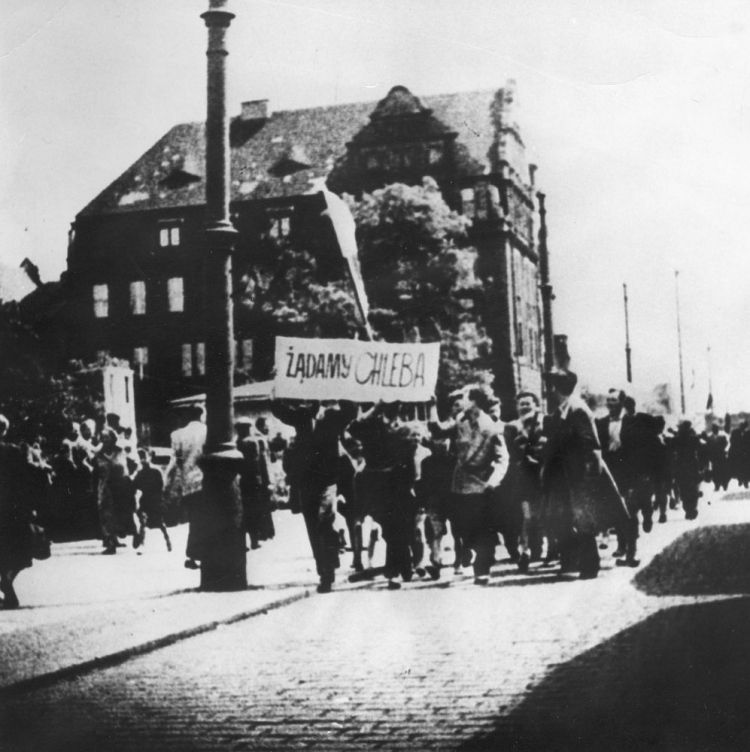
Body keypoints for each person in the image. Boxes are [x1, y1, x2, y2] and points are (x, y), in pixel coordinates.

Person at [541, 368, 634, 579]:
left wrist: (588, 480)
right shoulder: (563, 410)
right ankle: (572, 562)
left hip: (580, 476)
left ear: (558, 387)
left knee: (583, 518)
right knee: (567, 517)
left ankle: (590, 565)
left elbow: (591, 447)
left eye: (552, 385)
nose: (549, 390)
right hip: (565, 476)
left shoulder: (577, 410)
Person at [271, 399, 357, 593]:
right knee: (312, 525)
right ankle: (324, 564)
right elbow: (278, 410)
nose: (309, 401)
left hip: (328, 479)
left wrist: (339, 388)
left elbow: (351, 412)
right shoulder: (300, 415)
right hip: (306, 481)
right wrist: (275, 391)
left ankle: (327, 572)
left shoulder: (332, 416)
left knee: (325, 520)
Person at [429, 386, 507, 585]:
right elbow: (437, 431)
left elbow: (502, 458)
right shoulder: (460, 421)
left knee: (482, 527)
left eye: (465, 398)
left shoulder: (491, 426)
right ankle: (473, 551)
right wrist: (431, 406)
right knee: (463, 527)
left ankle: (482, 568)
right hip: (460, 482)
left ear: (475, 402)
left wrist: (494, 480)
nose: (461, 402)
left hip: (482, 483)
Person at [349, 401, 421, 590]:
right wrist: (373, 411)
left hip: (400, 485)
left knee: (397, 528)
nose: (395, 408)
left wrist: (411, 482)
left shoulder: (404, 429)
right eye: (389, 405)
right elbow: (353, 428)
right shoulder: (372, 425)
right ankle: (401, 568)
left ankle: (397, 571)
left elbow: (410, 455)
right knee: (391, 530)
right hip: (378, 485)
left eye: (396, 404)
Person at [0, 415, 47, 609]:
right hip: (12, 508)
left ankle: (7, 585)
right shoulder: (13, 451)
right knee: (18, 550)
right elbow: (29, 478)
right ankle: (7, 580)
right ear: (4, 430)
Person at [503, 391, 547, 572]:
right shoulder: (512, 427)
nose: (526, 406)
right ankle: (526, 551)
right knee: (526, 517)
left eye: (529, 403)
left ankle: (545, 548)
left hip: (542, 473)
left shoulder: (544, 423)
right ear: (517, 407)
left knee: (543, 514)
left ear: (536, 405)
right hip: (522, 476)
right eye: (522, 403)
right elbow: (509, 450)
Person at [165, 405, 207, 569]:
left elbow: (177, 459)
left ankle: (194, 553)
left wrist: (170, 484)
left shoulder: (178, 434)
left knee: (194, 519)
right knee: (207, 519)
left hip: (189, 482)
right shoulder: (208, 431)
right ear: (201, 415)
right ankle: (203, 553)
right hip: (206, 480)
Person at [235, 417, 275, 551]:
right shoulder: (253, 442)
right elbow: (259, 463)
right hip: (253, 481)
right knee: (254, 511)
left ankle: (242, 543)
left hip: (240, 481)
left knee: (242, 511)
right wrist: (265, 481)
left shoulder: (236, 443)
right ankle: (254, 540)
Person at [133, 448, 172, 552]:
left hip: (155, 499)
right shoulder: (140, 473)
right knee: (143, 522)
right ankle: (142, 544)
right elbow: (134, 486)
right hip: (146, 499)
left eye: (144, 457)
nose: (142, 460)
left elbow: (161, 486)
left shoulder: (155, 472)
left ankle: (167, 539)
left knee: (160, 523)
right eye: (140, 458)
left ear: (149, 457)